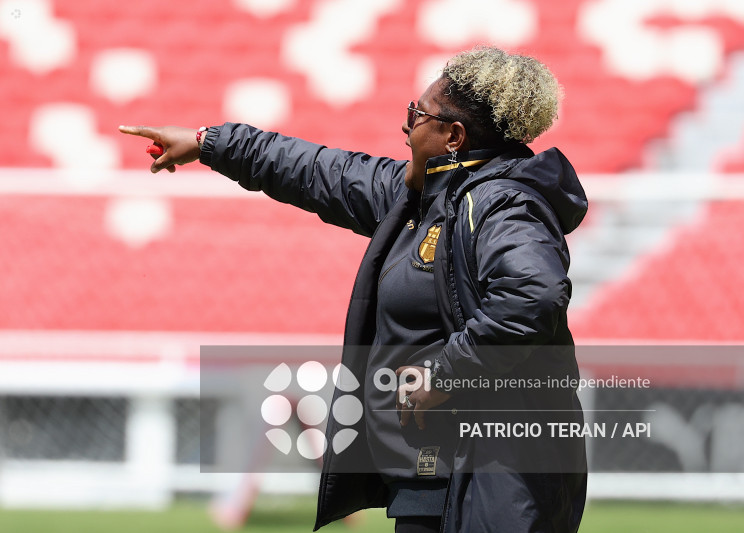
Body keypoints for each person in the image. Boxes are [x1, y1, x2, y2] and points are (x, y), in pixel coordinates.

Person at [120, 45, 588, 533]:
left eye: (416, 114)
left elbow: (532, 298)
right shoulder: (422, 197)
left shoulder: (504, 205)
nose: (405, 128)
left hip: (496, 475)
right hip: (432, 473)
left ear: (454, 136)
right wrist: (209, 143)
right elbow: (320, 170)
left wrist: (445, 373)